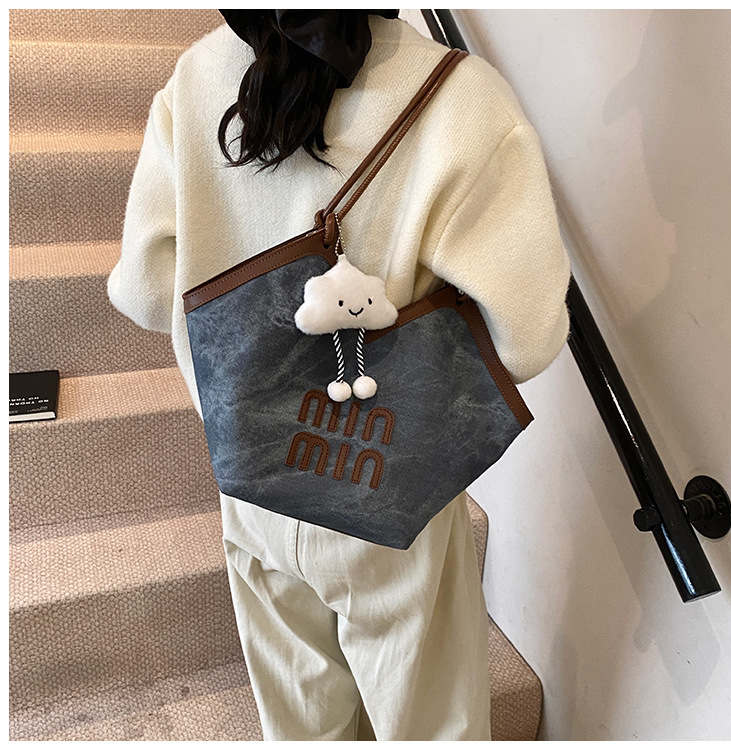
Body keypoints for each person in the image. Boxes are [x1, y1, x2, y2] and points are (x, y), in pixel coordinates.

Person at [107, 9, 571, 741]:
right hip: (387, 481)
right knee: (430, 726)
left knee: (302, 726)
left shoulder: (199, 75)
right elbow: (529, 336)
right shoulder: (463, 100)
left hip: (252, 473)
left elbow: (141, 288)